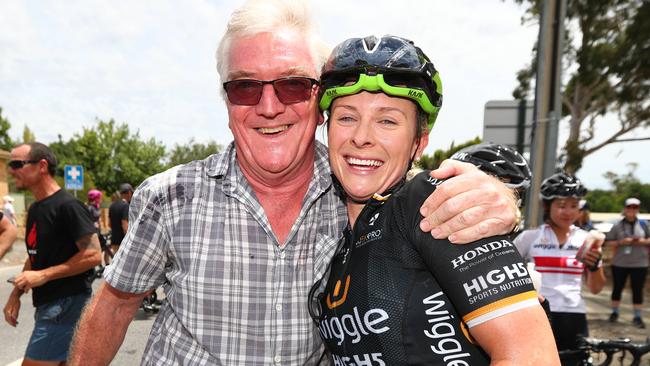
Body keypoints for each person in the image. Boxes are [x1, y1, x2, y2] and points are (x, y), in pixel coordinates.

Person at [69, 1, 520, 364]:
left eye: (291, 86)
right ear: (226, 100)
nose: (268, 107)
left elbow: (420, 185)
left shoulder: (356, 187)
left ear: (319, 101)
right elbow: (115, 304)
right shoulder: (170, 196)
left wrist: (501, 199)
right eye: (245, 87)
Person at [309, 34, 558, 365]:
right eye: (347, 117)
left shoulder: (431, 202)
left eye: (387, 121)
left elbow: (532, 357)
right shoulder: (334, 224)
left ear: (419, 143)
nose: (361, 137)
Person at [3, 142, 101, 366]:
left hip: (67, 304)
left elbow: (93, 255)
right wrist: (15, 295)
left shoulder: (68, 206)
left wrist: (44, 275)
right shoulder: (36, 208)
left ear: (42, 166)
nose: (11, 170)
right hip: (49, 305)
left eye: (17, 163)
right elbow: (35, 256)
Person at [513, 172, 606, 365]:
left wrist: (595, 265)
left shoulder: (586, 239)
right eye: (561, 205)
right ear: (547, 206)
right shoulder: (529, 238)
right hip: (539, 313)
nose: (568, 212)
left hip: (574, 316)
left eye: (574, 206)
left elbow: (596, 289)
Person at [604, 197, 649, 329]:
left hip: (640, 263)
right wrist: (620, 242)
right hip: (620, 263)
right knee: (617, 288)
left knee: (637, 290)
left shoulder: (644, 224)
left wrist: (641, 241)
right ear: (625, 209)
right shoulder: (617, 225)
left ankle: (637, 316)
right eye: (629, 207)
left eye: (635, 207)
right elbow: (606, 242)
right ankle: (615, 313)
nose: (632, 210)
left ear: (638, 209)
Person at [107, 183, 133, 257]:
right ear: (129, 193)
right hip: (123, 241)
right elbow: (124, 224)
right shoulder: (126, 206)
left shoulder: (112, 206)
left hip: (114, 240)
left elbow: (109, 224)